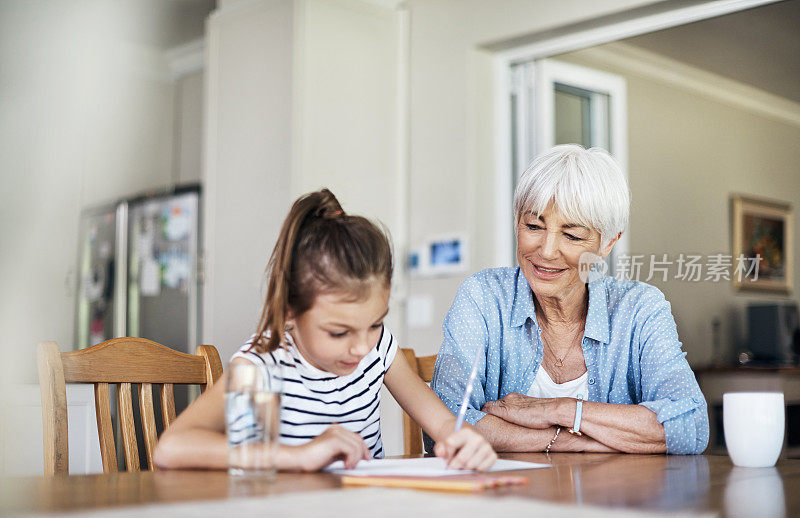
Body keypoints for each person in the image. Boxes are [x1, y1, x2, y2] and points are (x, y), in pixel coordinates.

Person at [154, 189, 496, 472]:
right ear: (290, 311)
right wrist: (298, 457)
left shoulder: (379, 352)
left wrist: (464, 439)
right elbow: (173, 448)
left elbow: (442, 425)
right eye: (338, 333)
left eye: (375, 324)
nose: (362, 347)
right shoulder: (266, 366)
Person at [431, 145, 709, 455]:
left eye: (572, 235)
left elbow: (690, 425)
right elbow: (446, 423)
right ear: (516, 223)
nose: (547, 251)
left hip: (617, 501)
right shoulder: (483, 298)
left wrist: (557, 410)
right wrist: (573, 441)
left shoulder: (640, 309)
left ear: (607, 243)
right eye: (534, 226)